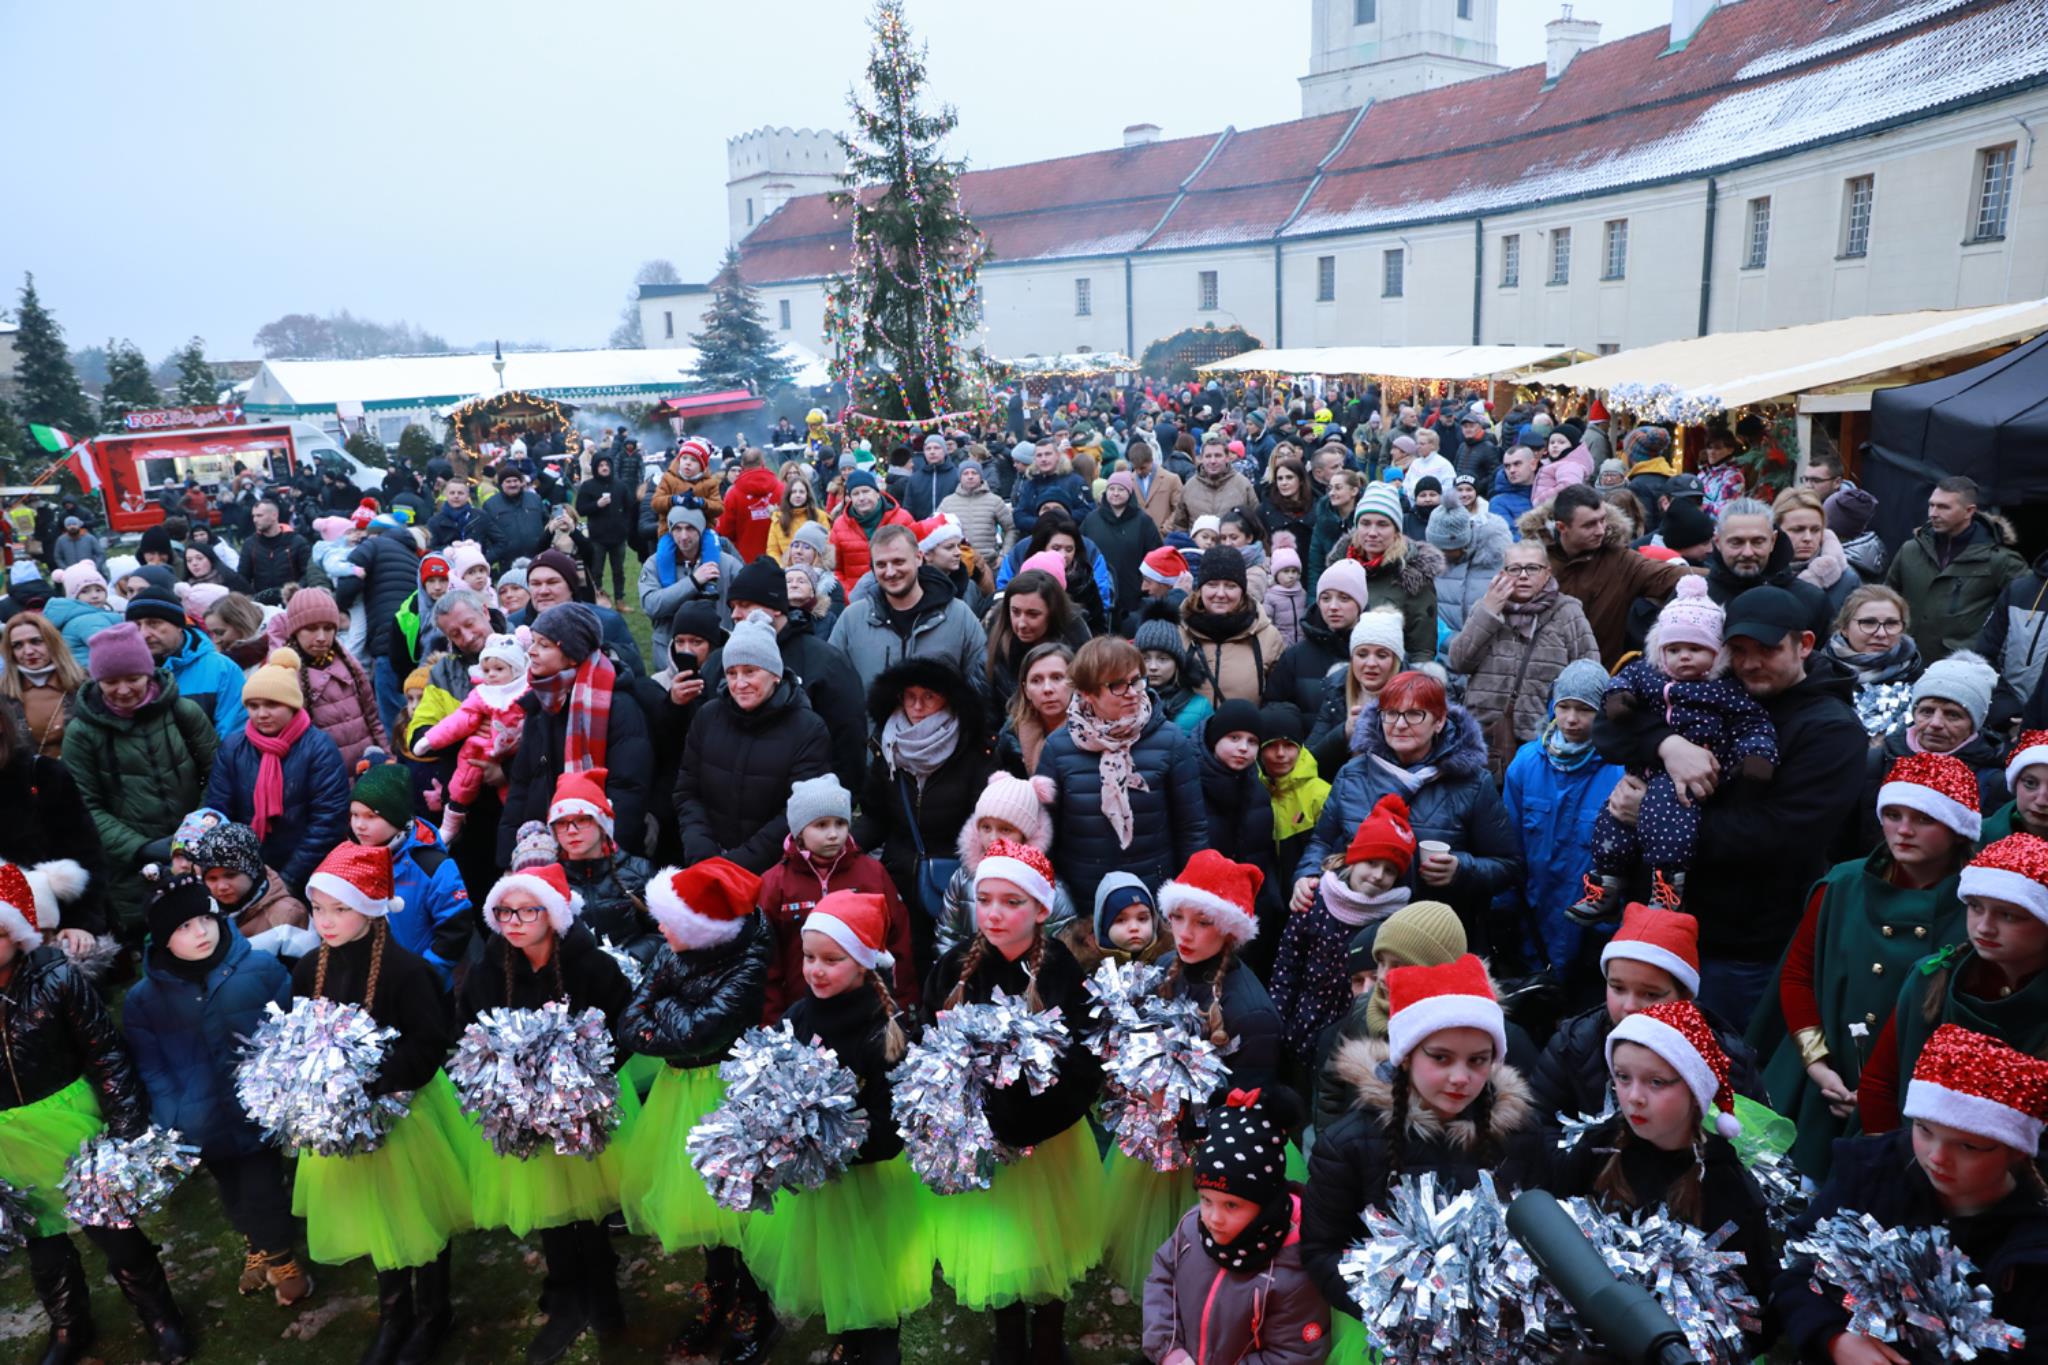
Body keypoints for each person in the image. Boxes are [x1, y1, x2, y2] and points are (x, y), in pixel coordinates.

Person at [1593, 585, 1868, 1025]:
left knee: (1723, 1055)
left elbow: (1779, 836)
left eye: (1767, 650)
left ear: (1804, 645)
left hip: (1742, 944)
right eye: (1738, 650)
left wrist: (1651, 817)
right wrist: (1667, 744)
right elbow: (1608, 728)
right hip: (1661, 922)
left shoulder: (1832, 730)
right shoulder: (1716, 685)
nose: (1750, 663)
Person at [0, 859, 196, 1365]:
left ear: (18, 932)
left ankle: (160, 1316)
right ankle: (69, 1325)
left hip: (72, 1122)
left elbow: (105, 1052)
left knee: (114, 1230)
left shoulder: (57, 978)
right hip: (10, 1139)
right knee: (43, 1242)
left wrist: (126, 1127)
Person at [923, 839, 1105, 1362]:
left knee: (1050, 1241)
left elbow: (1085, 1059)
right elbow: (928, 1046)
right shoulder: (956, 967)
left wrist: (1030, 1122)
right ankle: (1007, 1340)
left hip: (1049, 1146)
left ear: (1041, 909)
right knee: (998, 1242)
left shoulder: (1060, 969)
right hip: (984, 1146)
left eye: (1012, 902)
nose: (995, 914)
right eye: (985, 900)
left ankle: (1047, 1340)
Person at [293, 842, 473, 1365]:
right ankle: (395, 1313)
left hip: (405, 1115)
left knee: (420, 1210)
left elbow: (428, 1045)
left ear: (371, 909)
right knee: (376, 1212)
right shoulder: (307, 970)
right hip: (344, 1121)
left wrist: (367, 1078)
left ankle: (434, 1312)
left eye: (340, 909)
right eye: (318, 909)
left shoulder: (406, 971)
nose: (326, 921)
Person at [1772, 1025, 2048, 1361]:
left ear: (2017, 1151)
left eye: (1968, 1146)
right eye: (1924, 1129)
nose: (1937, 1157)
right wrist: (1833, 1338)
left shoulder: (2034, 1244)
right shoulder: (1872, 1171)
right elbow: (1798, 1268)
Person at [739, 893, 932, 1362]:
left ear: (863, 963)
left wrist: (826, 1140)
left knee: (874, 1276)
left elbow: (891, 1129)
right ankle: (849, 1342)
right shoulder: (798, 1016)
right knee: (836, 1271)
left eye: (832, 960)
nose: (816, 970)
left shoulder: (885, 1031)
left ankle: (880, 1350)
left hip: (868, 1185)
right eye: (809, 957)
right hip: (817, 1186)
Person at [1763, 752, 1976, 1178]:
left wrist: (1879, 1098)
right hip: (1823, 1081)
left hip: (1917, 1101)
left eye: (1924, 819)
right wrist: (1817, 1064)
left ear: (1957, 830)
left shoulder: (1977, 906)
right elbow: (1798, 975)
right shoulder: (1843, 884)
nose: (1903, 830)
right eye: (1893, 815)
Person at [1301, 956, 1536, 1336]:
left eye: (1478, 1060)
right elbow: (1321, 1251)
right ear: (1407, 1055)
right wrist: (1396, 1310)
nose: (1460, 1077)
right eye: (1440, 1058)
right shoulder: (1351, 1144)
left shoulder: (1520, 1136)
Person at [462, 862, 636, 1364]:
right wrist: (505, 1082)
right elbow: (468, 1031)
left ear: (554, 915)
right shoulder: (489, 969)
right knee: (547, 1200)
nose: (514, 922)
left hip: (585, 1109)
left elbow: (623, 1025)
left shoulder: (591, 966)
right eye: (504, 912)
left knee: (590, 1198)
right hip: (521, 1111)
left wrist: (581, 1081)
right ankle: (565, 1293)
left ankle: (602, 1288)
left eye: (527, 911)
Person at [1101, 852, 1282, 1297]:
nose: (1184, 933)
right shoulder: (1166, 967)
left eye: (1202, 922)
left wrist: (1179, 1107)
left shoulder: (1251, 1011)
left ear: (1230, 929)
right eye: (1177, 917)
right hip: (1157, 1147)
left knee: (1201, 1267)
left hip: (1210, 1159)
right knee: (1157, 1259)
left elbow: (1244, 1110)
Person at [122, 878, 307, 1308]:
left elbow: (292, 1031)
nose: (201, 932)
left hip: (256, 1111)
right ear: (163, 939)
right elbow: (151, 1066)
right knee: (232, 1190)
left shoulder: (260, 969)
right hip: (200, 1120)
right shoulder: (144, 1000)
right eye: (184, 927)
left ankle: (281, 1258)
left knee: (263, 1186)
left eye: (205, 918)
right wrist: (174, 1113)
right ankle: (256, 1244)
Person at [618, 859, 776, 1362]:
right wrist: (675, 1014)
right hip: (679, 1090)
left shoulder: (746, 962)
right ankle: (718, 1289)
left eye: (669, 922)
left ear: (700, 928)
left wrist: (663, 1010)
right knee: (698, 1203)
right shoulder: (672, 949)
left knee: (736, 1206)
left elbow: (697, 1033)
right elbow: (630, 1021)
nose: (660, 930)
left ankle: (755, 1302)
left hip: (724, 1091)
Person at [1544, 1001, 1777, 1317]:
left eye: (1656, 1082)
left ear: (1694, 1088)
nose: (1634, 1097)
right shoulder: (1599, 1147)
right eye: (1623, 1077)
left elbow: (1756, 1310)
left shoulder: (1727, 1187)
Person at [1572, 578, 1779, 920]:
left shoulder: (1725, 689)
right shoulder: (1648, 675)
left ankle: (1668, 887)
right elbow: (1620, 684)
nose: (1683, 656)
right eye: (1674, 649)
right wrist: (1619, 697)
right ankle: (1605, 882)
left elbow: (1753, 724)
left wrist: (1756, 756)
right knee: (1611, 822)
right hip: (1642, 772)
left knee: (1671, 826)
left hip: (1687, 781)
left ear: (1717, 652)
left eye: (1695, 648)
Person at [1293, 671, 1522, 956]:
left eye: (1414, 714)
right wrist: (1307, 874)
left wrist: (1461, 869)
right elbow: (1322, 842)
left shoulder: (1472, 784)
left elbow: (1509, 865)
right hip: (1357, 935)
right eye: (1391, 714)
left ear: (1439, 721)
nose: (1400, 725)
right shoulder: (1352, 774)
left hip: (1433, 940)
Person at [1857, 831, 2048, 1135]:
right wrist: (1894, 1156)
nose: (1984, 927)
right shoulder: (1931, 975)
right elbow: (1879, 1084)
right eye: (1975, 906)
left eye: (2008, 916)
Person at [1527, 903, 1764, 1122]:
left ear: (1684, 998)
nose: (1630, 1006)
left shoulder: (1729, 1063)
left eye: (1650, 994)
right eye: (1618, 988)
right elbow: (1533, 1127)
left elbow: (1758, 1145)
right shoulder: (1572, 1045)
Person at [1142, 1086, 1328, 1365]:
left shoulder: (1293, 1268)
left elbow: (1293, 1355)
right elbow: (1163, 1278)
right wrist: (1169, 1350)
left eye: (1231, 1205)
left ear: (1265, 1203)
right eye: (1206, 1200)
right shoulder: (1191, 1227)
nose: (1213, 1218)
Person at [65, 622, 219, 941]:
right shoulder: (81, 734)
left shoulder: (183, 712)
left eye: (133, 678)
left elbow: (217, 773)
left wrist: (196, 829)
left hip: (197, 850)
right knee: (152, 940)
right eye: (111, 681)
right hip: (129, 868)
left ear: (148, 673)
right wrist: (141, 848)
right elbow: (83, 806)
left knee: (205, 929)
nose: (123, 690)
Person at [1037, 635, 1208, 912]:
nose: (1132, 692)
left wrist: (1187, 897)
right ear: (1088, 693)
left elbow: (1192, 828)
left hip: (1152, 899)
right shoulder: (1059, 748)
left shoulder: (1171, 741)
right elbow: (1045, 833)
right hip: (1083, 900)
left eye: (1136, 680)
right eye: (1117, 685)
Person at [672, 615, 831, 873]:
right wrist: (702, 852)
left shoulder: (808, 728)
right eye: (731, 673)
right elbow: (687, 791)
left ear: (775, 674)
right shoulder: (708, 717)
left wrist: (737, 864)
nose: (739, 683)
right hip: (706, 865)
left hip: (775, 873)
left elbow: (798, 810)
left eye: (750, 671)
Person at [500, 603, 653, 862]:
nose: (532, 651)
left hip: (599, 854)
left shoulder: (617, 706)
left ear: (572, 655)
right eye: (533, 642)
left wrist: (604, 853)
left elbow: (627, 789)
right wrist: (508, 857)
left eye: (544, 645)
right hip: (540, 850)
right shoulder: (540, 705)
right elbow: (522, 785)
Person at [1271, 793, 1416, 1061]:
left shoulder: (1394, 921)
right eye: (1372, 862)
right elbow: (1287, 968)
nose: (1378, 875)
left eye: (1390, 870)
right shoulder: (1316, 899)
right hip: (1303, 1029)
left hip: (1359, 1042)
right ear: (1354, 857)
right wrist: (1277, 1024)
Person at [758, 776, 916, 1021]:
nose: (833, 834)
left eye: (840, 823)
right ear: (799, 831)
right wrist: (772, 1021)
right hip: (799, 1011)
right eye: (821, 825)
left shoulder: (872, 874)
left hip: (868, 1010)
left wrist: (902, 1008)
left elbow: (898, 943)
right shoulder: (775, 883)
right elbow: (767, 961)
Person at [1445, 538, 1600, 777]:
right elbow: (1458, 662)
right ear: (1503, 573)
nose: (1523, 576)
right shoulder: (1484, 607)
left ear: (1547, 573)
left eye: (1532, 568)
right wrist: (1488, 612)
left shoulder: (1568, 612)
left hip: (1542, 737)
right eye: (1515, 569)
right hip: (1484, 735)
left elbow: (1589, 672)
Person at [202, 649, 351, 898]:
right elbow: (219, 812)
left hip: (307, 875)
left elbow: (328, 822)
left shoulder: (319, 747)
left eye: (272, 704)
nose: (261, 714)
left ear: (292, 705)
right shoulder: (233, 748)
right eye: (253, 706)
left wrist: (287, 881)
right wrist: (239, 876)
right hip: (245, 877)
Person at [1519, 483, 1689, 667]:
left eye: (1602, 520)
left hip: (1600, 676)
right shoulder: (1529, 560)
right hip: (1535, 675)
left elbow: (1671, 577)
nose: (1601, 530)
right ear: (1562, 527)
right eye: (1589, 525)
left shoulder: (1620, 560)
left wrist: (1712, 576)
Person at [1854, 649, 2007, 850]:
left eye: (1952, 715)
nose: (1936, 723)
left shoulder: (1994, 781)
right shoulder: (1876, 763)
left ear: (1975, 723)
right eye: (1926, 711)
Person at [1886, 475, 2027, 664]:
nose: (1933, 513)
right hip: (1906, 660)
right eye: (1931, 505)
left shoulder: (2000, 560)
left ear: (1969, 511)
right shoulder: (1910, 550)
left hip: (1962, 667)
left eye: (1943, 507)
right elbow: (1886, 599)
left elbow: (2026, 614)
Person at [829, 523, 989, 688]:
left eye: (898, 562)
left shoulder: (958, 615)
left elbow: (984, 678)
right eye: (881, 565)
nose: (890, 572)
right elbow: (832, 682)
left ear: (919, 558)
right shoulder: (852, 619)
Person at [415, 629, 530, 848]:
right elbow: (460, 720)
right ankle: (451, 823)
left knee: (515, 799)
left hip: (514, 757)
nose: (492, 674)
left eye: (499, 669)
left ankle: (520, 830)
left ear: (515, 669)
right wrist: (430, 739)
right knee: (463, 782)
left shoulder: (527, 692)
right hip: (480, 750)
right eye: (486, 670)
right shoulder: (481, 694)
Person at [279, 586, 387, 773]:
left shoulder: (350, 665)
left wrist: (387, 757)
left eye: (328, 628)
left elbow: (373, 720)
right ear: (295, 631)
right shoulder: (285, 675)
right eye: (311, 628)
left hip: (366, 772)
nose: (322, 637)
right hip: (325, 778)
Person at [335, 515, 424, 735]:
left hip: (386, 638)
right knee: (413, 704)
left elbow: (350, 576)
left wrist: (341, 605)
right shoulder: (412, 557)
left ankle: (396, 751)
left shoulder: (374, 545)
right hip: (413, 638)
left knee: (391, 713)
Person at [124, 586, 247, 738]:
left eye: (154, 623)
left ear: (178, 625)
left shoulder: (221, 669)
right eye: (136, 625)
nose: (144, 634)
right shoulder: (120, 672)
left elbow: (232, 737)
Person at [1339, 482, 1441, 665]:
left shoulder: (1413, 578)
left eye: (1382, 524)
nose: (1372, 533)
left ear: (1396, 531)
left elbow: (1421, 649)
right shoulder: (1340, 570)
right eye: (1365, 523)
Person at [1178, 546, 1285, 706]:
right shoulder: (1178, 631)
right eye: (1212, 585)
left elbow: (1279, 701)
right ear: (1200, 589)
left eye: (1230, 586)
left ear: (1242, 591)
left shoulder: (1268, 636)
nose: (1221, 594)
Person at [1306, 607, 1404, 779]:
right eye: (1362, 654)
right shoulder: (1337, 691)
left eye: (1382, 655)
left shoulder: (1417, 695)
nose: (1371, 663)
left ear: (1395, 661)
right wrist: (1344, 732)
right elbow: (1308, 763)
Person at [185, 820, 313, 951]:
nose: (222, 886)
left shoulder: (287, 914)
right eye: (212, 878)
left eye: (230, 875)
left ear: (253, 872)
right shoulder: (203, 912)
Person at [1266, 560, 1369, 718]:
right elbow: (1273, 709)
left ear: (1360, 603)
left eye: (1344, 598)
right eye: (1326, 598)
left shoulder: (1380, 652)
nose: (1333, 607)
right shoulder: (1295, 657)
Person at [984, 568, 1090, 718]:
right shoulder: (996, 642)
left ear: (1052, 614)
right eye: (1015, 612)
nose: (1021, 623)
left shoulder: (1077, 645)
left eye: (1032, 614)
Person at [639, 502, 740, 658]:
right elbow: (651, 605)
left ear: (701, 529)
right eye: (677, 529)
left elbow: (748, 602)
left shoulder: (727, 564)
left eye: (690, 528)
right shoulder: (654, 564)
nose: (684, 536)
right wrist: (693, 582)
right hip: (670, 651)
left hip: (719, 652)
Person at [1824, 585, 1923, 737]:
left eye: (1891, 623)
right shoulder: (1820, 673)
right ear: (1844, 627)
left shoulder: (1920, 680)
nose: (1881, 633)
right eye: (1869, 622)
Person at [1, 612, 86, 760]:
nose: (28, 651)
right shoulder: (3, 693)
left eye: (36, 641)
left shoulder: (84, 685)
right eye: (18, 645)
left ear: (52, 642)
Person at [995, 642, 1073, 778]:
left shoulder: (1094, 734)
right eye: (1036, 680)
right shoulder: (1010, 737)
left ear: (1074, 683)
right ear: (1026, 690)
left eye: (1057, 678)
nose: (1047, 689)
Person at [1132, 619, 1211, 739]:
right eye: (1145, 659)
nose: (1153, 667)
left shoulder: (1200, 707)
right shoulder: (1124, 700)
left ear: (1177, 664)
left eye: (1163, 659)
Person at [574, 451, 634, 599]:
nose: (604, 468)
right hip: (597, 537)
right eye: (601, 465)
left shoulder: (620, 485)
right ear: (595, 468)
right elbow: (580, 510)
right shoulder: (587, 486)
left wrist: (625, 527)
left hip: (618, 537)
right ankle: (597, 599)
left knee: (618, 571)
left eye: (607, 465)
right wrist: (597, 505)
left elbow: (630, 509)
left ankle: (619, 600)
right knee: (596, 571)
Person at [475, 467, 550, 570]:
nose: (513, 484)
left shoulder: (535, 499)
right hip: (507, 562)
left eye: (515, 480)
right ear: (501, 484)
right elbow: (486, 534)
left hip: (537, 558)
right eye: (508, 481)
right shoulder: (490, 505)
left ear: (521, 482)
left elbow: (547, 523)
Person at [240, 498, 309, 595]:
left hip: (292, 599)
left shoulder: (297, 542)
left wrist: (295, 592)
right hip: (261, 600)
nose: (255, 520)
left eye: (259, 515)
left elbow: (308, 573)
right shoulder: (250, 544)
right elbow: (243, 577)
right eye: (254, 516)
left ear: (274, 515)